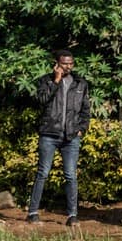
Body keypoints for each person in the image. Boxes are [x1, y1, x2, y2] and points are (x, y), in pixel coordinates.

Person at [26, 50, 92, 227]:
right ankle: (32, 212)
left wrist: (82, 129)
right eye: (64, 63)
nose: (68, 66)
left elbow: (86, 110)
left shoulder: (80, 83)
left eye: (70, 63)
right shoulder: (45, 81)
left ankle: (72, 215)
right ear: (56, 63)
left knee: (70, 175)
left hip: (71, 136)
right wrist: (55, 81)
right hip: (49, 134)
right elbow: (41, 100)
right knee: (43, 173)